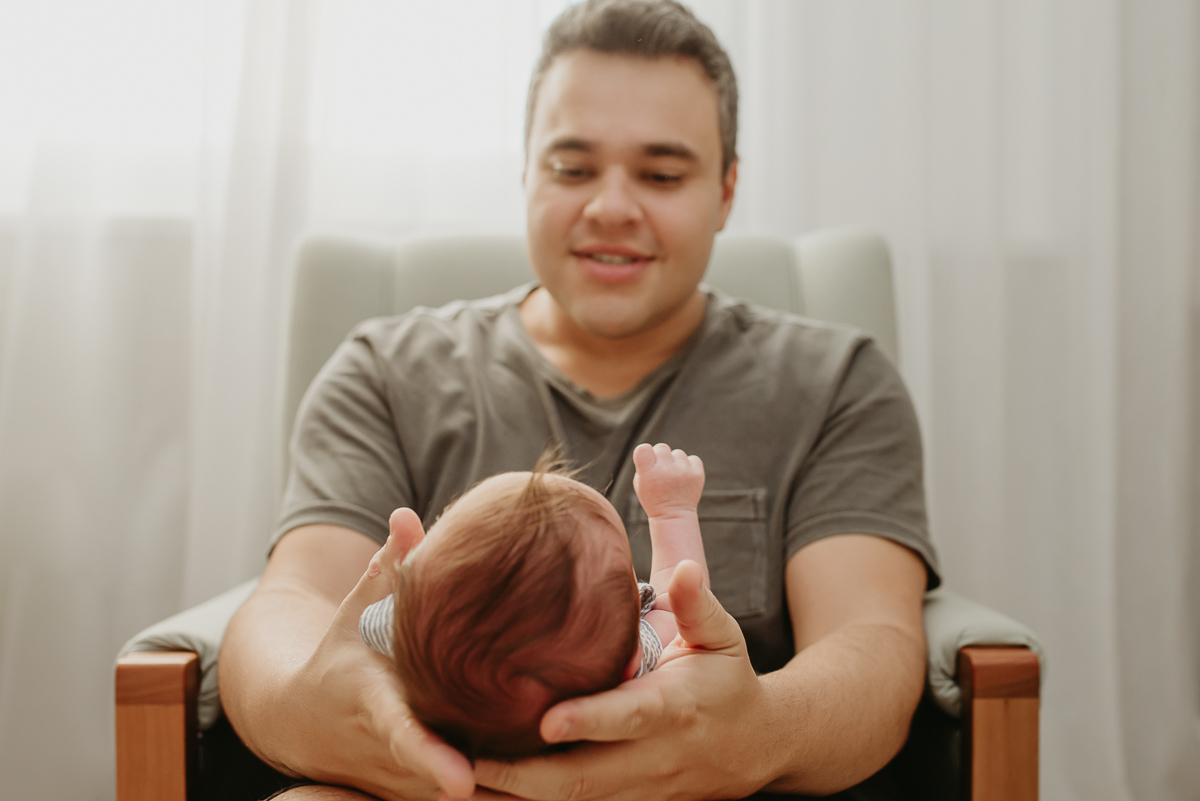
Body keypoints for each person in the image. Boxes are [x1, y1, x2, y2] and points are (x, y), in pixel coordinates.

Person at [218, 1, 938, 799]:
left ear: (728, 189)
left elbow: (873, 641)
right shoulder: (386, 373)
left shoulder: (835, 383)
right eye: (572, 168)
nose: (612, 208)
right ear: (526, 172)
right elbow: (288, 605)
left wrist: (756, 731)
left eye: (663, 174)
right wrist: (318, 708)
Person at [356, 443, 709, 760]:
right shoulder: (639, 674)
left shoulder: (403, 628)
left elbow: (371, 621)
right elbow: (680, 607)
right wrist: (671, 513)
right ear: (630, 665)